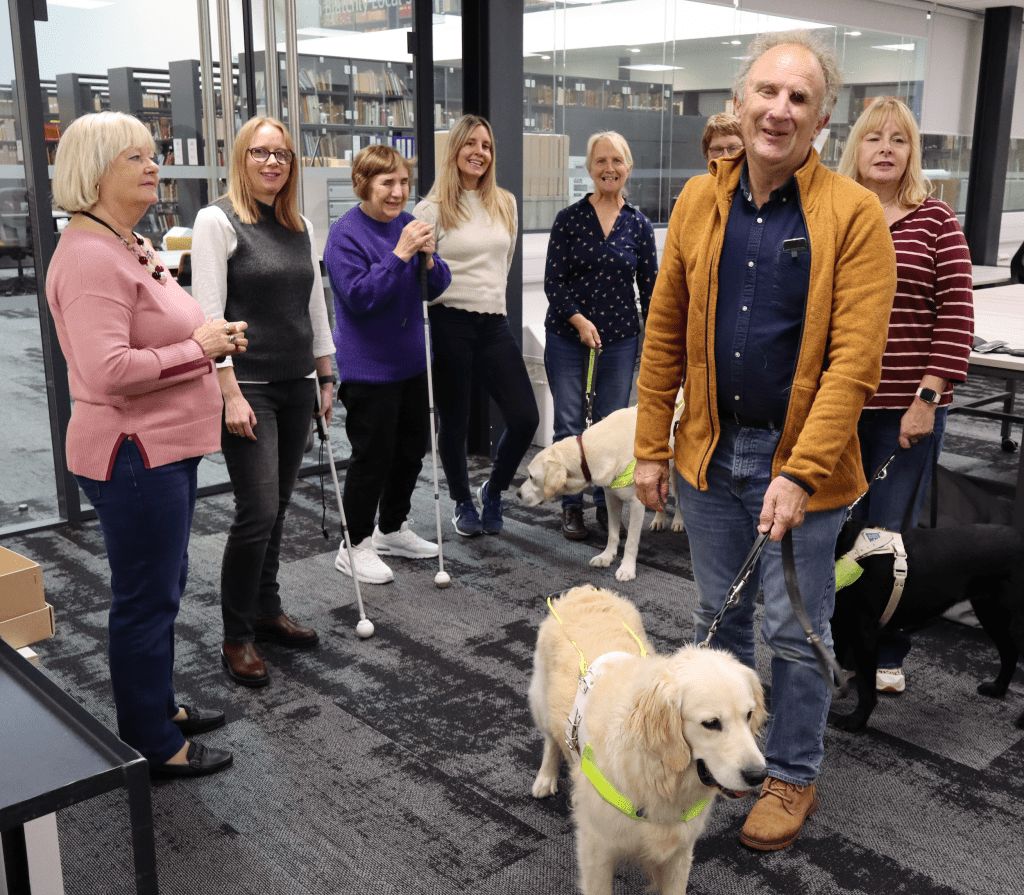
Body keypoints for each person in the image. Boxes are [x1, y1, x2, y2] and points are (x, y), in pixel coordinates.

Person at [633, 31, 897, 850]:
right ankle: (721, 752)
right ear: (740, 102)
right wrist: (649, 444)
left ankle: (790, 773)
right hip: (710, 454)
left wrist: (803, 472)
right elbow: (664, 331)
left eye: (799, 99)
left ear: (822, 120)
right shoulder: (695, 203)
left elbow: (855, 365)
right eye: (768, 93)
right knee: (720, 615)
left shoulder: (852, 216)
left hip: (800, 470)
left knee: (795, 629)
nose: (779, 110)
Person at [46, 111, 243, 777]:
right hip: (132, 453)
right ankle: (152, 743)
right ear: (95, 171)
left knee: (164, 584)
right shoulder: (90, 258)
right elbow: (107, 372)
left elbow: (158, 333)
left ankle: (158, 706)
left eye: (151, 153)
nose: (153, 165)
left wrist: (204, 342)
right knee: (145, 596)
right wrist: (200, 348)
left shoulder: (124, 241)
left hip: (160, 449)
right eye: (135, 157)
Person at [192, 116, 336, 689]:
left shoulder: (298, 223)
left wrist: (325, 375)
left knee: (277, 507)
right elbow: (209, 317)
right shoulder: (216, 221)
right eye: (261, 152)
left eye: (281, 154)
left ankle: (267, 611)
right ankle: (236, 634)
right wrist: (226, 391)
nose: (273, 162)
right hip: (247, 386)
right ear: (241, 159)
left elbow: (314, 305)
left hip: (297, 382)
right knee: (257, 511)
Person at [837, 97, 974, 692]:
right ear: (855, 150)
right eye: (874, 138)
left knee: (887, 537)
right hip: (840, 408)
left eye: (898, 139)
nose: (886, 149)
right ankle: (847, 645)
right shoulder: (837, 215)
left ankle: (887, 652)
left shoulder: (936, 220)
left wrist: (928, 396)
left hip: (906, 411)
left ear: (912, 151)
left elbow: (957, 317)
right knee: (840, 534)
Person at [324, 145, 451, 583]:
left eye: (402, 182)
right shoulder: (345, 234)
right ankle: (354, 544)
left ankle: (392, 529)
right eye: (387, 183)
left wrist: (429, 258)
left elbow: (435, 287)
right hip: (369, 368)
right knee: (371, 458)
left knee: (410, 452)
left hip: (413, 362)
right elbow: (360, 299)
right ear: (364, 185)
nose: (398, 192)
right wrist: (399, 255)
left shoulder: (408, 225)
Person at [413, 115, 539, 536]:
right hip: (449, 321)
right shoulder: (430, 209)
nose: (479, 152)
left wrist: (491, 303)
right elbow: (423, 280)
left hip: (492, 323)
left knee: (524, 416)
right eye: (470, 144)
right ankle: (462, 501)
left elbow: (502, 265)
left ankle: (493, 489)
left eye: (486, 145)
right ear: (455, 151)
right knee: (455, 422)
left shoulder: (505, 202)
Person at [543, 131, 658, 541]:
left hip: (621, 339)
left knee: (611, 429)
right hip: (566, 336)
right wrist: (578, 320)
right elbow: (554, 283)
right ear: (590, 168)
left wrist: (655, 344)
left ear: (628, 167)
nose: (609, 168)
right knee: (570, 424)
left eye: (617, 161)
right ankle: (570, 507)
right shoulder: (569, 220)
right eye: (600, 161)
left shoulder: (639, 225)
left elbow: (650, 290)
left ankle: (604, 510)